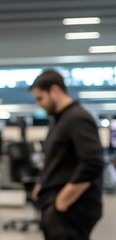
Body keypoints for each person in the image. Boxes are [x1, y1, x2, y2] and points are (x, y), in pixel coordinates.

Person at [29, 70, 104, 240]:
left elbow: (93, 162)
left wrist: (62, 201)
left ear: (54, 91)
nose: (39, 104)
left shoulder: (77, 118)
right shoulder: (60, 119)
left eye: (41, 98)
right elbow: (57, 159)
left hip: (71, 210)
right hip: (58, 208)